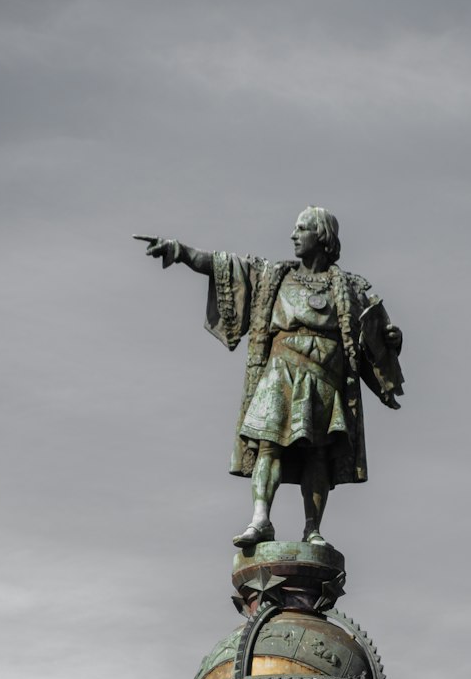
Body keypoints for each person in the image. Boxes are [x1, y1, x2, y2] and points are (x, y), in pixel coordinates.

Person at [139, 207, 403, 548]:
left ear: (322, 236)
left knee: (317, 454)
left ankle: (312, 529)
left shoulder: (351, 287)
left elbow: (376, 332)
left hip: (325, 377)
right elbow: (224, 266)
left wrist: (393, 339)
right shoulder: (272, 275)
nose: (293, 235)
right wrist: (179, 251)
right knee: (269, 445)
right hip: (281, 369)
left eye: (302, 228)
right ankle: (261, 519)